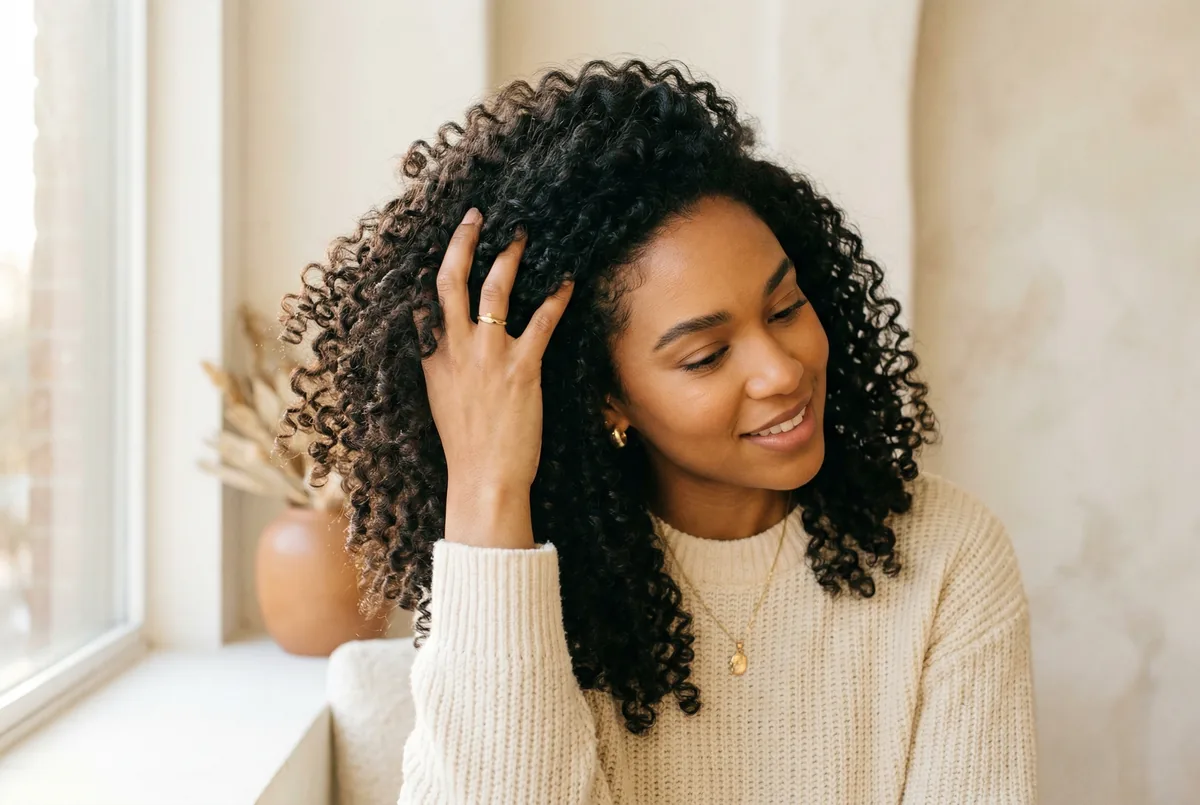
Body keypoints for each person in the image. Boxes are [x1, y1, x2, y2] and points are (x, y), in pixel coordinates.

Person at [280, 57, 1036, 804]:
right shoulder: (519, 579)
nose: (781, 370)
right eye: (707, 355)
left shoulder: (948, 557)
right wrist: (486, 482)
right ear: (607, 399)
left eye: (786, 308)